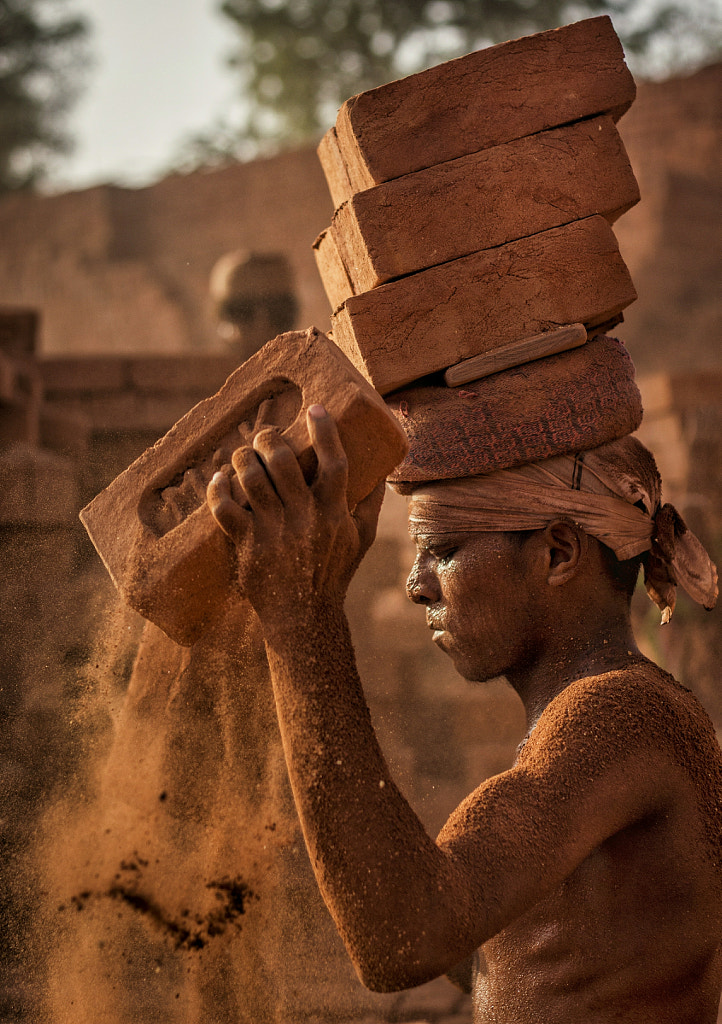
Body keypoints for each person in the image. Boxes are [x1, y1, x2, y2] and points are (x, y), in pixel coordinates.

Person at [207, 404, 722, 1023]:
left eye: (444, 549)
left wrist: (303, 616)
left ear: (558, 554)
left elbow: (401, 939)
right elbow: (478, 947)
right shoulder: (599, 729)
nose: (417, 585)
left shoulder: (620, 715)